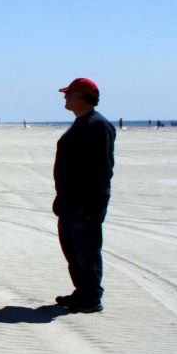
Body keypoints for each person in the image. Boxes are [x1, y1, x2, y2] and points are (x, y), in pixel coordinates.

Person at [53, 78, 115, 312]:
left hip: (85, 202)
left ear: (80, 96)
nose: (65, 97)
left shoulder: (97, 125)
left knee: (86, 250)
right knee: (72, 249)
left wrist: (95, 204)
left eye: (68, 93)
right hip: (71, 201)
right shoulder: (83, 123)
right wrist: (61, 197)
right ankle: (82, 292)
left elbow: (103, 168)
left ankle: (91, 298)